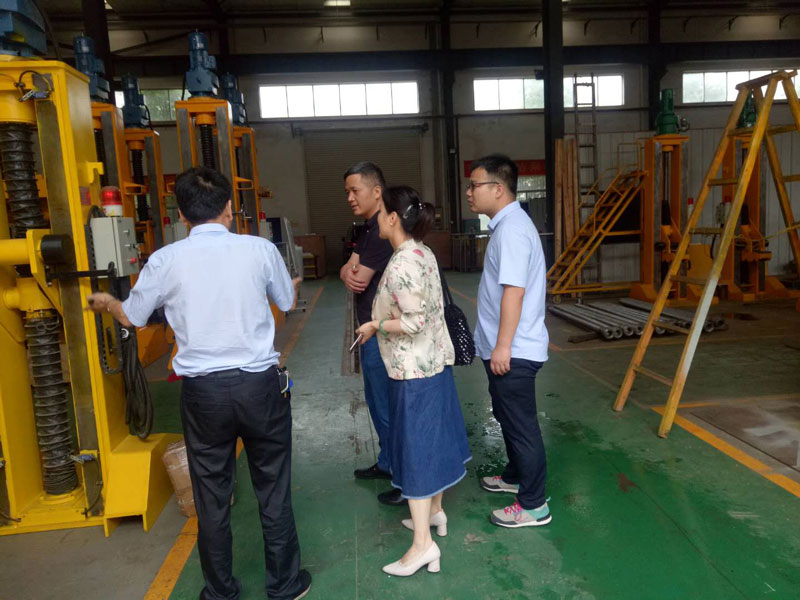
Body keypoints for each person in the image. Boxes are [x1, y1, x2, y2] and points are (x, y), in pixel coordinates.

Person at [87, 167, 311, 600]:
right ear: (229, 207)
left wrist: (110, 302)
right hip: (260, 388)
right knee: (273, 488)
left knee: (211, 496)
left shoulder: (164, 260)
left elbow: (132, 316)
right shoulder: (259, 249)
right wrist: (293, 285)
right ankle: (284, 585)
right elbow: (286, 301)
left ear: (181, 215)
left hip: (204, 395)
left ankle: (221, 591)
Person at [356, 185, 471, 576]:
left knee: (417, 452)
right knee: (433, 442)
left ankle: (423, 546)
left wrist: (375, 325)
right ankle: (435, 512)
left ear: (392, 218)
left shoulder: (403, 262)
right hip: (434, 364)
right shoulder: (423, 252)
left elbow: (414, 321)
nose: (376, 219)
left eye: (381, 213)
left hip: (413, 372)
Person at [467, 154, 552, 529]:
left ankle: (534, 505)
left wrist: (503, 346)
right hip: (506, 348)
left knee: (521, 426)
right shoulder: (507, 227)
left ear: (498, 188)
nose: (469, 192)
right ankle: (516, 476)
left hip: (513, 351)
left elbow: (514, 292)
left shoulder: (513, 230)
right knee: (507, 417)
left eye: (475, 185)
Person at [340, 162, 405, 507]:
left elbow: (358, 278)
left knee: (386, 407)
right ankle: (387, 461)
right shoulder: (367, 229)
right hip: (370, 331)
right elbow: (347, 271)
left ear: (376, 191)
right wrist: (347, 270)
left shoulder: (382, 231)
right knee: (378, 403)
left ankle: (402, 475)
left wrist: (350, 271)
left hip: (382, 334)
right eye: (347, 192)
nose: (350, 198)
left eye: (356, 191)